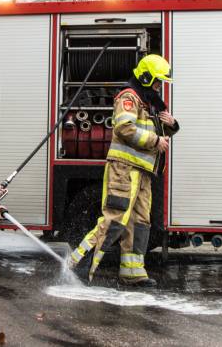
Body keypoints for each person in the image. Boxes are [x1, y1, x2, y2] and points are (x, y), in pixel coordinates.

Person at [68, 54, 180, 286]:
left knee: (140, 223)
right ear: (147, 77)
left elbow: (154, 131)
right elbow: (124, 128)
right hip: (124, 169)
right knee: (116, 219)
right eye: (158, 80)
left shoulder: (149, 101)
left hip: (143, 172)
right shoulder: (129, 97)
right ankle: (77, 264)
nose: (160, 85)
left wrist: (171, 125)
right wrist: (155, 140)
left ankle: (132, 272)